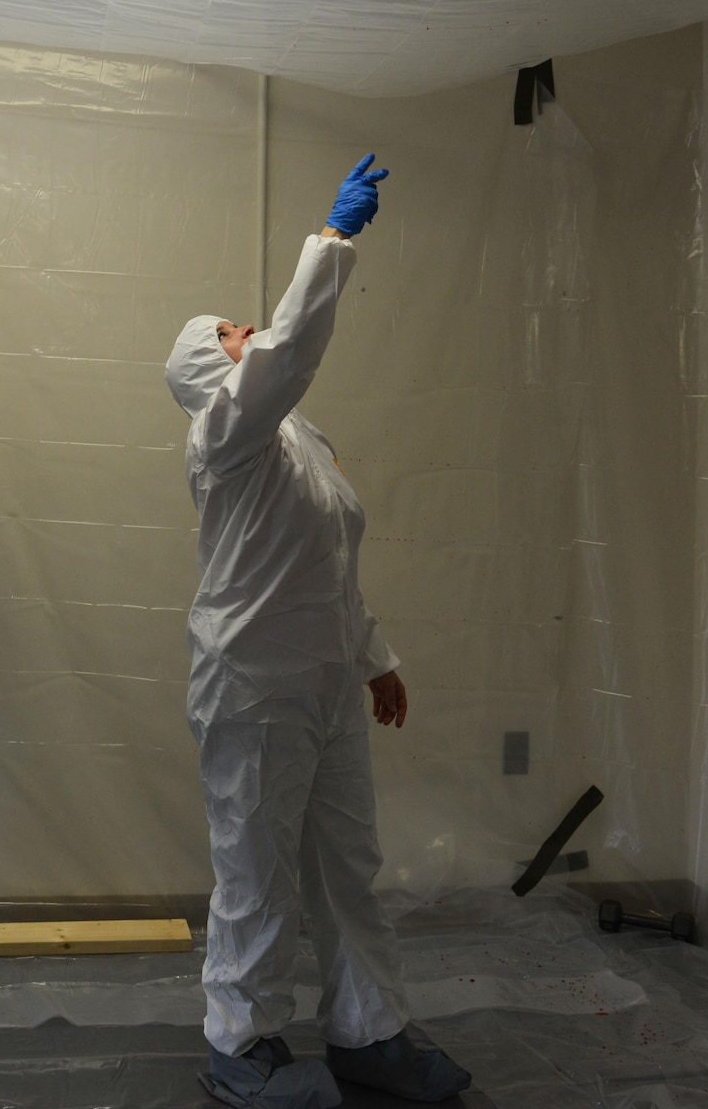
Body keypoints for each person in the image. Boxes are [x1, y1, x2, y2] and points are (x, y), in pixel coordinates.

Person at [164, 156, 473, 1108]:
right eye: (228, 331)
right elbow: (287, 351)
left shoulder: (303, 446)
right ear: (209, 367)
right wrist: (331, 240)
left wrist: (374, 658)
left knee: (347, 865)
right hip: (253, 684)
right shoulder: (227, 431)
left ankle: (366, 1030)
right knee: (256, 869)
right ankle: (241, 1043)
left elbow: (329, 562)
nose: (246, 329)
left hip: (326, 680)